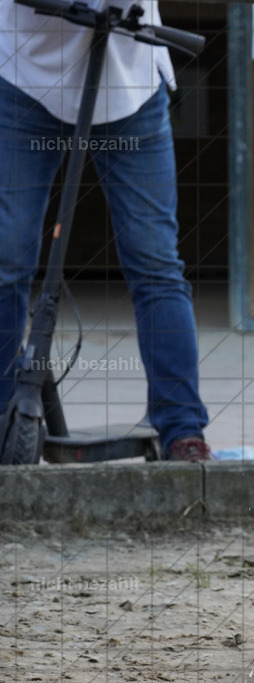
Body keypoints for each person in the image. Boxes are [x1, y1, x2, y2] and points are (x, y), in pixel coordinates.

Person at [0, 0, 211, 461]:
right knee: (7, 255)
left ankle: (182, 429)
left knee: (155, 260)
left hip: (128, 82)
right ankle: (3, 417)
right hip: (25, 79)